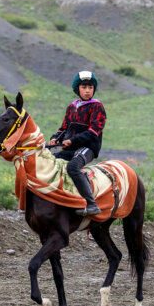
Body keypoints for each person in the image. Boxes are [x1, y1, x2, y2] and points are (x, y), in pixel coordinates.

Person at [49, 70, 106, 216]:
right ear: (77, 89)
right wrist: (56, 138)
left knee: (73, 167)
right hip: (70, 147)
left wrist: (72, 141)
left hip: (88, 148)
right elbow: (64, 128)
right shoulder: (71, 107)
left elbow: (93, 131)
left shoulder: (97, 107)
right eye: (84, 87)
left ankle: (92, 204)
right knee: (52, 163)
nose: (87, 91)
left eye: (90, 87)